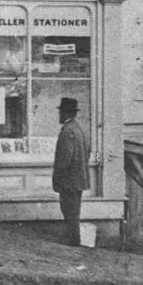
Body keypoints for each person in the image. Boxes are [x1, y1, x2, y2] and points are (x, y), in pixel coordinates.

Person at [52, 97, 90, 246]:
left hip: (69, 180)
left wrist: (58, 178)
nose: (59, 115)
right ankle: (74, 239)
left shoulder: (67, 132)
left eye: (60, 112)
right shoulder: (79, 130)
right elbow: (86, 154)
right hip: (78, 178)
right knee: (74, 210)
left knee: (69, 211)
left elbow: (64, 159)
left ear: (65, 113)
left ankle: (73, 241)